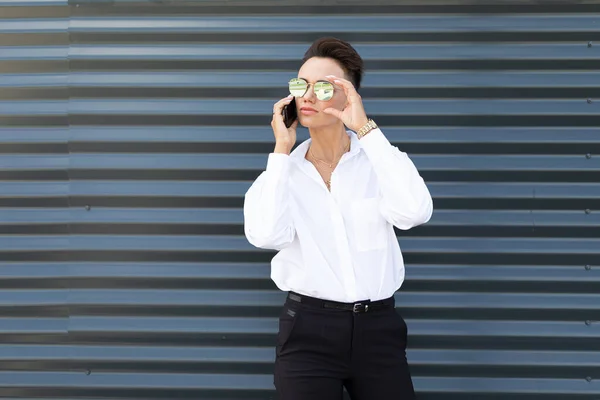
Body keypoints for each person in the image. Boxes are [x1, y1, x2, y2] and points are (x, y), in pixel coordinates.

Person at [243, 37, 433, 400]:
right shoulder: (282, 172)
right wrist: (281, 149)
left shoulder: (380, 161)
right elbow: (265, 235)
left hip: (378, 331)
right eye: (300, 86)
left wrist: (366, 130)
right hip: (308, 332)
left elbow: (414, 212)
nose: (308, 97)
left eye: (323, 86)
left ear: (349, 96)